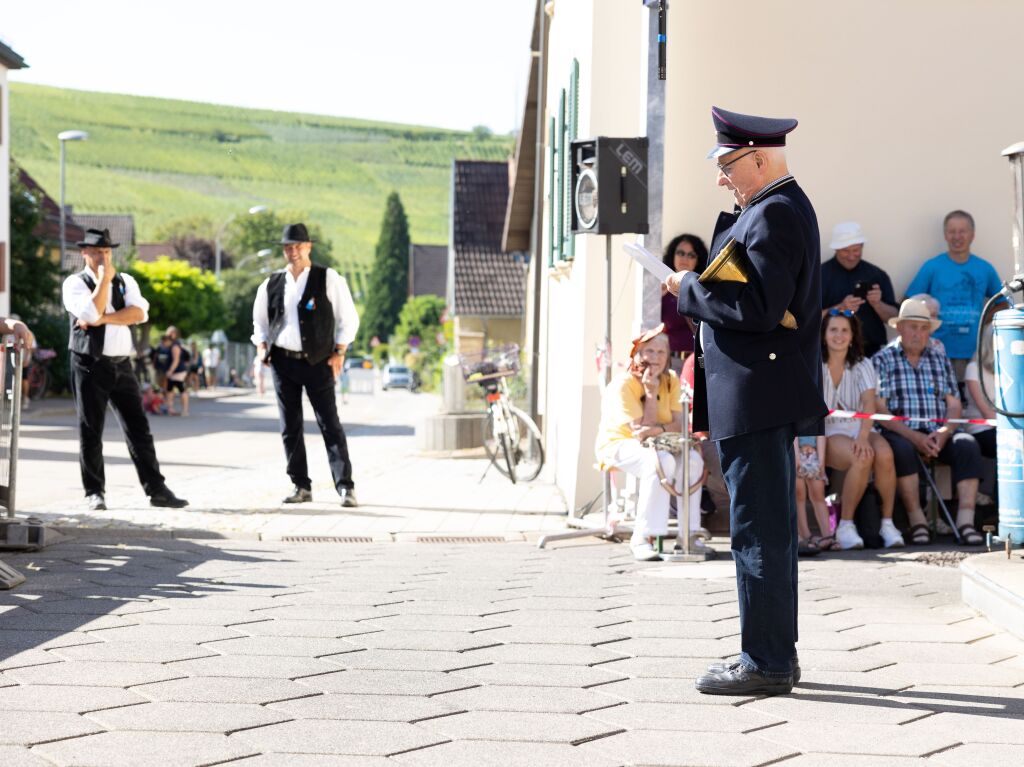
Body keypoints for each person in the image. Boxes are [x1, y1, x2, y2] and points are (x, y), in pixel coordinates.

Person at [666, 107, 827, 696]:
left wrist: (686, 289)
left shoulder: (776, 213)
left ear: (759, 158)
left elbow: (757, 309)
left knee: (759, 531)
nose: (720, 177)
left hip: (758, 394)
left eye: (727, 164)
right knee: (763, 529)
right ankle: (771, 652)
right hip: (756, 392)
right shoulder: (770, 210)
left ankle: (766, 661)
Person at [61, 228, 188, 511]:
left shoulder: (126, 280)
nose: (103, 257)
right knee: (91, 429)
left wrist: (102, 318)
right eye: (96, 252)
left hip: (122, 363)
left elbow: (140, 313)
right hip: (90, 363)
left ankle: (156, 488)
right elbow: (89, 313)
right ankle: (94, 491)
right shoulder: (74, 283)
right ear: (84, 253)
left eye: (106, 252)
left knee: (139, 429)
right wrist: (103, 282)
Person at [252, 223, 361, 507]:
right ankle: (301, 485)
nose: (293, 251)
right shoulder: (271, 283)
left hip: (318, 361)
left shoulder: (329, 278)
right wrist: (262, 347)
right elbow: (260, 322)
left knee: (330, 424)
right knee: (290, 426)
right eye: (288, 247)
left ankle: (345, 486)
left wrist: (339, 350)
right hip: (283, 361)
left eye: (298, 246)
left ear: (309, 247)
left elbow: (349, 318)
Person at [873, 298, 985, 546]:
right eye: (912, 327)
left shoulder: (938, 357)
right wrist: (915, 437)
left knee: (967, 444)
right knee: (900, 449)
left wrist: (944, 432)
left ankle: (966, 522)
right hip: (901, 432)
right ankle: (918, 522)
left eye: (924, 328)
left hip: (937, 433)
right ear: (899, 327)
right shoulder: (883, 359)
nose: (918, 333)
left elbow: (954, 403)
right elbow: (880, 409)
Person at [595, 325, 706, 561]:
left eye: (661, 352)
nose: (655, 358)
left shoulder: (671, 379)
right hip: (619, 443)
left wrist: (658, 429)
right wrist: (650, 393)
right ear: (637, 355)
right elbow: (639, 431)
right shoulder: (624, 384)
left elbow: (679, 423)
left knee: (693, 460)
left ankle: (689, 534)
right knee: (660, 462)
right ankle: (642, 537)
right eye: (649, 352)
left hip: (660, 443)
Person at [820, 310, 902, 549]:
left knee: (885, 454)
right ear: (824, 334)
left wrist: (864, 436)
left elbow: (869, 403)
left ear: (853, 335)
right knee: (862, 457)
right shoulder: (814, 362)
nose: (839, 335)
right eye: (833, 329)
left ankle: (887, 524)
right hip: (826, 430)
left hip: (859, 426)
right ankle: (845, 526)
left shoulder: (863, 363)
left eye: (845, 330)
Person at [905, 210, 1007, 378]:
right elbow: (908, 304)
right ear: (945, 235)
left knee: (973, 400)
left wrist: (984, 320)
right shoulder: (932, 267)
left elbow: (1003, 303)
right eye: (951, 231)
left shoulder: (985, 269)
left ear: (972, 235)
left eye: (962, 231)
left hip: (975, 351)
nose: (957, 236)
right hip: (936, 351)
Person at [820, 221, 898, 357]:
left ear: (862, 247)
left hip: (872, 353)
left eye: (856, 250)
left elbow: (895, 319)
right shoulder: (819, 276)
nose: (851, 256)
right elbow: (808, 319)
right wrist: (840, 308)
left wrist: (877, 304)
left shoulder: (877, 275)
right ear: (836, 249)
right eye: (846, 251)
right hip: (829, 354)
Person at [660, 235, 709, 368]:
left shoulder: (706, 289)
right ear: (673, 255)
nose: (685, 258)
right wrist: (658, 297)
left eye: (691, 255)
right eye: (680, 253)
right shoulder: (661, 290)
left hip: (699, 362)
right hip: (670, 362)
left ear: (698, 260)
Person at [794, 436, 828, 555]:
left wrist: (821, 461)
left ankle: (827, 535)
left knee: (819, 494)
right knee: (799, 494)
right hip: (796, 452)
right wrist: (796, 456)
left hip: (814, 454)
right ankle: (804, 535)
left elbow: (821, 433)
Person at [165, 332, 190, 416]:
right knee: (170, 390)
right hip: (174, 372)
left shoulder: (175, 346)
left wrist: (170, 371)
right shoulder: (173, 346)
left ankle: (185, 410)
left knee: (181, 389)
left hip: (178, 372)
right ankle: (170, 408)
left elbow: (176, 360)